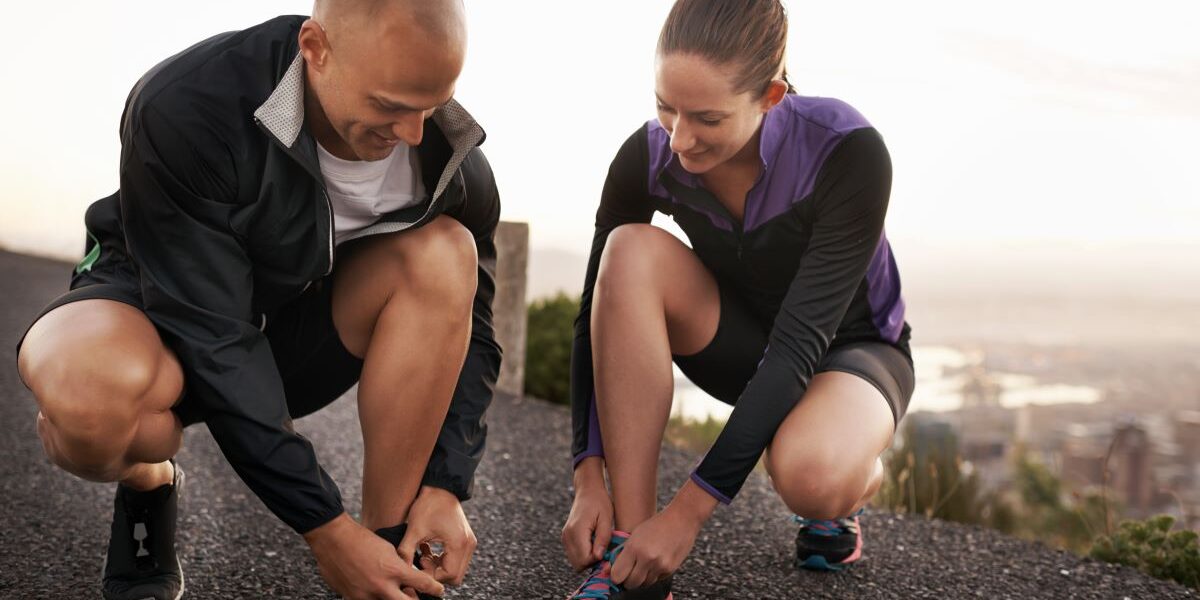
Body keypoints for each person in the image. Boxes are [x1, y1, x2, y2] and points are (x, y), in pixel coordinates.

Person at [14, 1, 501, 598]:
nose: (413, 133)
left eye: (433, 103)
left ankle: (389, 558)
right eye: (390, 106)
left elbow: (472, 326)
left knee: (447, 253)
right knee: (89, 400)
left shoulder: (451, 162)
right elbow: (215, 337)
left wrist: (445, 485)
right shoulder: (188, 105)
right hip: (153, 299)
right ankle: (148, 480)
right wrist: (324, 528)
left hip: (291, 332)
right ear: (315, 49)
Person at [560, 0, 914, 597]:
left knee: (810, 475)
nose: (679, 140)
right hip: (741, 344)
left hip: (849, 353)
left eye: (706, 118)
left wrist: (687, 516)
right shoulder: (646, 157)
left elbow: (800, 346)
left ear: (771, 96)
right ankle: (631, 556)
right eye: (664, 108)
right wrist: (587, 475)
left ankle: (854, 474)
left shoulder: (847, 150)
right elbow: (592, 314)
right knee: (628, 251)